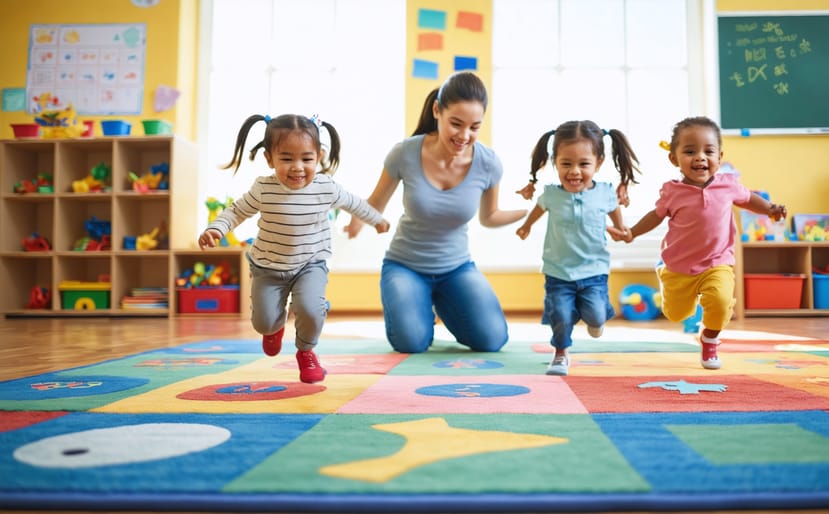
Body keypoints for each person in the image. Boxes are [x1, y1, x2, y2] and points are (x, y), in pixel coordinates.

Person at [344, 71, 527, 354]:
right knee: (411, 343)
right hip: (405, 266)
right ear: (437, 111)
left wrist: (531, 212)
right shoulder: (404, 153)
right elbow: (375, 203)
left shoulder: (488, 163)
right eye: (456, 124)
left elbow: (489, 217)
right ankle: (417, 307)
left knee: (492, 340)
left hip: (456, 268)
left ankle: (443, 299)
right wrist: (357, 218)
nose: (464, 136)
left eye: (474, 127)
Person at [199, 114, 390, 383]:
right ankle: (275, 327)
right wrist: (216, 229)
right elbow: (236, 211)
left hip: (310, 263)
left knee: (310, 309)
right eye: (286, 159)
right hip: (268, 267)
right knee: (263, 323)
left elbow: (355, 204)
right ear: (269, 158)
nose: (297, 167)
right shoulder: (263, 188)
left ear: (319, 156)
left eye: (306, 159)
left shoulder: (326, 187)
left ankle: (306, 351)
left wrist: (377, 220)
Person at [608, 116, 786, 370]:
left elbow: (749, 199)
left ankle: (710, 339)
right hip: (679, 267)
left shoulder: (728, 185)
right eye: (690, 151)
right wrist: (632, 233)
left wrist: (770, 209)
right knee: (676, 314)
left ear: (719, 156)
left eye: (708, 151)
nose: (700, 157)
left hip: (717, 262)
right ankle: (668, 279)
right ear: (674, 158)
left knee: (722, 300)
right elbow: (654, 216)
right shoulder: (672, 191)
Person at [515, 120, 639, 376]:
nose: (574, 171)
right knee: (560, 315)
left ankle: (598, 316)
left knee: (594, 316)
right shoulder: (552, 194)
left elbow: (614, 208)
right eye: (566, 164)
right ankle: (560, 353)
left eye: (584, 164)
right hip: (558, 271)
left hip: (593, 271)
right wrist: (526, 226)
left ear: (599, 163)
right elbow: (538, 209)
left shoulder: (604, 192)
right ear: (555, 163)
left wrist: (620, 228)